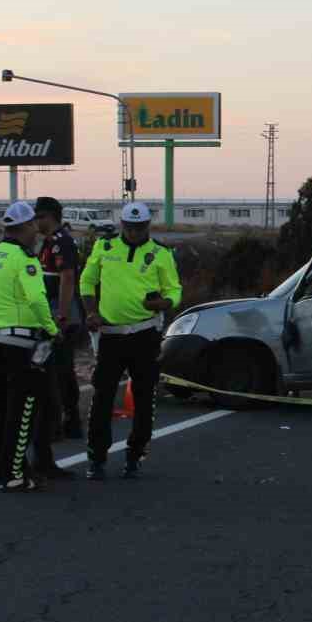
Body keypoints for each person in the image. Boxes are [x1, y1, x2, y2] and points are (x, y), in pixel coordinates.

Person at [0, 201, 60, 492]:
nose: (37, 233)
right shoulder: (24, 260)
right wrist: (52, 330)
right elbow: (37, 300)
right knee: (24, 407)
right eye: (34, 227)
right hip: (23, 344)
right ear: (25, 227)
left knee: (3, 407)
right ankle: (15, 473)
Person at [80, 201, 182, 479]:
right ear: (122, 225)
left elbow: (174, 289)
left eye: (140, 228)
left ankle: (135, 455)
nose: (135, 232)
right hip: (111, 336)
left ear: (148, 226)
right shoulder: (105, 247)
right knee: (102, 396)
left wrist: (164, 302)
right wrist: (90, 311)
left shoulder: (161, 253)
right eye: (130, 227)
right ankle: (96, 458)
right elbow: (87, 281)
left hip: (145, 334)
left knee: (144, 397)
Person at [31, 196, 82, 480]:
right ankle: (63, 422)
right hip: (52, 313)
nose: (36, 222)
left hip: (61, 315)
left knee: (60, 372)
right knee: (56, 372)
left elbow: (67, 278)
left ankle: (68, 421)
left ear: (50, 216)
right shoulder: (49, 241)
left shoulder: (61, 240)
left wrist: (61, 317)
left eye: (39, 217)